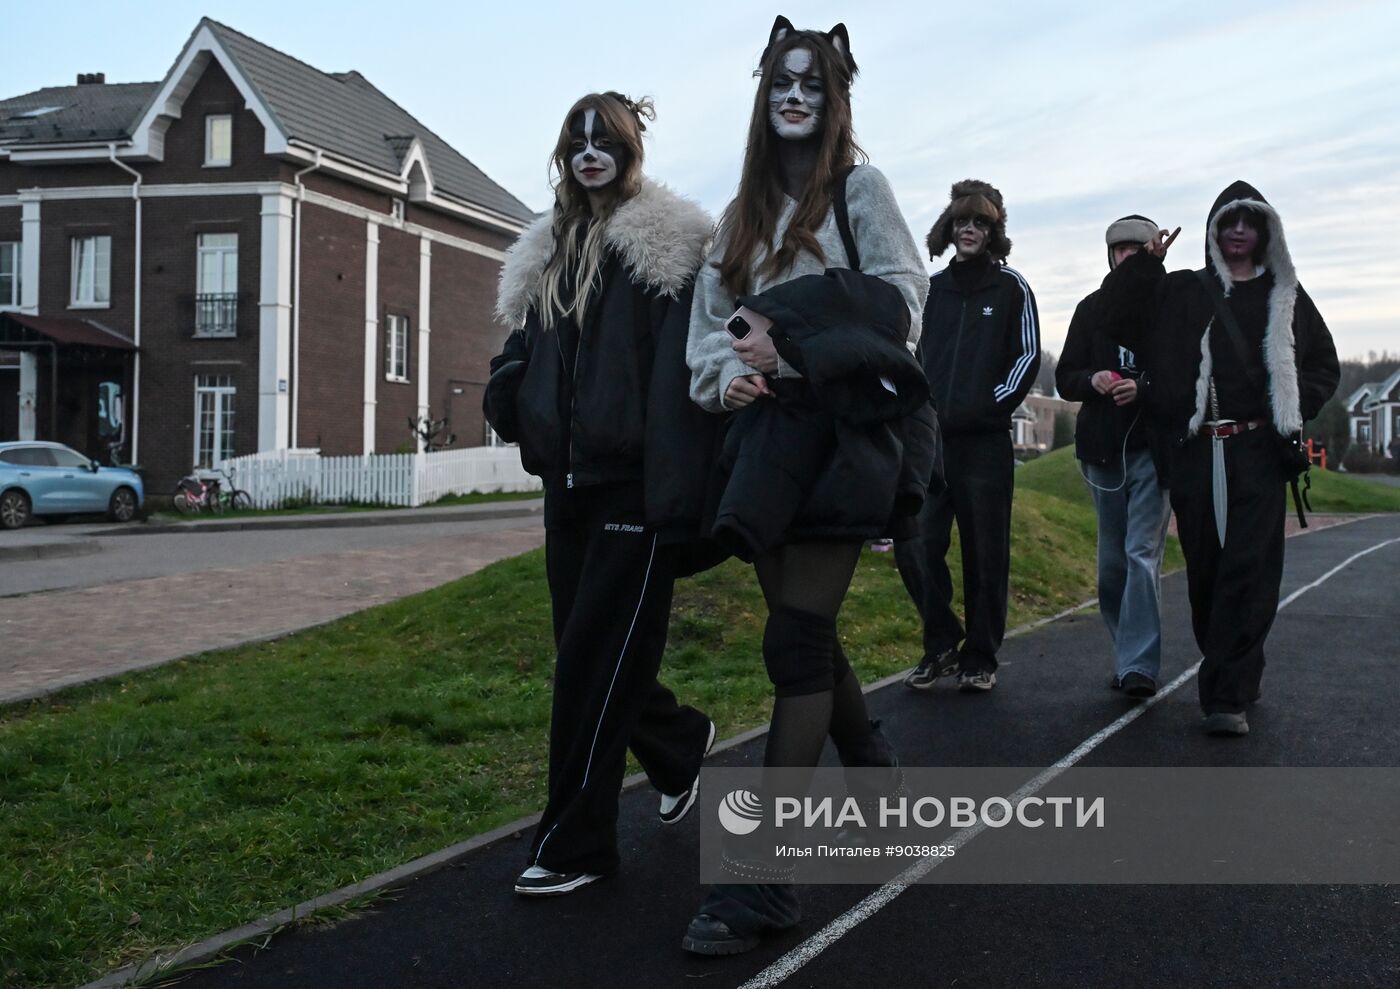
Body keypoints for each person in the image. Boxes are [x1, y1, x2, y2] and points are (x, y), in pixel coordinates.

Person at [682, 17, 929, 955]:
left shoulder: (861, 190)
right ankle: (869, 759)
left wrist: (794, 348)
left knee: (793, 642)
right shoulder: (739, 214)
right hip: (762, 444)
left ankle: (762, 880)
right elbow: (710, 326)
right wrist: (727, 377)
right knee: (806, 630)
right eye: (781, 83)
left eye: (812, 84)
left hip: (844, 434)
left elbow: (903, 299)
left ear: (835, 100)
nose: (794, 97)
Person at [484, 92, 719, 896]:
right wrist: (511, 397)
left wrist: (673, 494)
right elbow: (522, 349)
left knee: (591, 668)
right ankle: (677, 743)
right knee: (586, 653)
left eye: (605, 142)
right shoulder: (548, 250)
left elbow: (684, 378)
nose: (590, 154)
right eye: (578, 143)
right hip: (567, 487)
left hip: (634, 490)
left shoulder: (665, 249)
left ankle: (576, 844)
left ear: (628, 151)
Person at [1103, 180, 1339, 736]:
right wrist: (1146, 265)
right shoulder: (1184, 290)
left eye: (1249, 222)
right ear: (1213, 231)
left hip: (1258, 451)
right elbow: (1116, 317)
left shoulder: (1287, 295)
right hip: (1196, 451)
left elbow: (1324, 366)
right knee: (1207, 571)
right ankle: (1236, 669)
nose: (1238, 231)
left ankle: (1225, 696)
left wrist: (1288, 402)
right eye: (1228, 221)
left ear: (1265, 232)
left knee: (1249, 572)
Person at [897, 180, 1040, 692]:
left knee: (985, 555)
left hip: (985, 445)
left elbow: (1027, 355)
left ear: (993, 231)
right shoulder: (931, 289)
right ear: (949, 228)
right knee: (915, 545)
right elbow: (910, 352)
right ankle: (940, 644)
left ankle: (980, 657)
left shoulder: (1012, 288)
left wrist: (988, 404)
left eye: (980, 223)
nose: (970, 230)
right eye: (962, 222)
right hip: (932, 444)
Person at [1056, 215, 1173, 699]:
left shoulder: (1171, 306)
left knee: (1140, 554)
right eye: (1119, 250)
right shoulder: (1090, 309)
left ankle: (1138, 666)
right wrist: (1094, 380)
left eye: (1135, 250)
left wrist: (1143, 388)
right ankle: (1126, 654)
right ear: (1109, 256)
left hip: (1153, 450)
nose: (1126, 258)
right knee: (1112, 566)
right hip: (1103, 452)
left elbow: (1187, 375)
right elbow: (1065, 378)